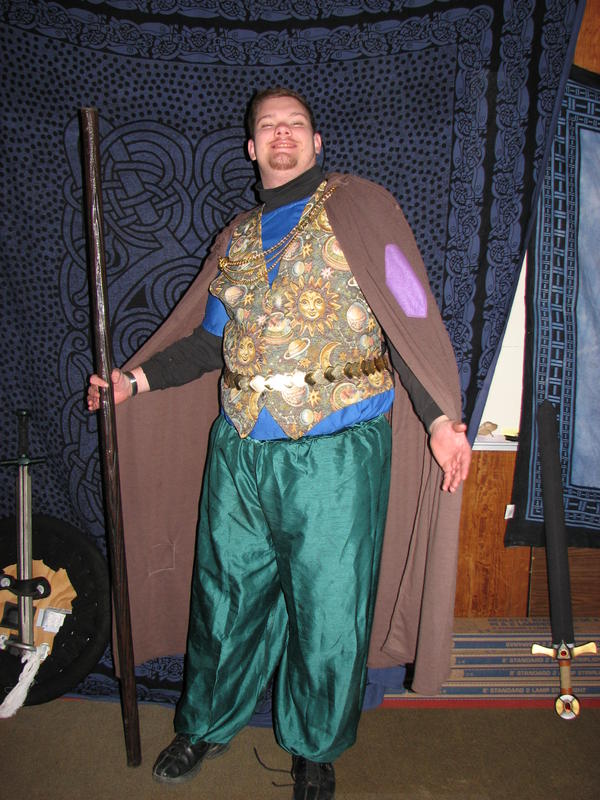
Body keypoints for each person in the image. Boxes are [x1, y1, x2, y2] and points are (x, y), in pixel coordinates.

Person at [88, 86, 471, 800]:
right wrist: (133, 381)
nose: (283, 135)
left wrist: (440, 417)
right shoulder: (236, 239)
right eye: (269, 126)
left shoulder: (363, 210)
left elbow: (409, 309)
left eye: (295, 124)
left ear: (317, 141)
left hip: (336, 455)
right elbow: (209, 344)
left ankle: (314, 746)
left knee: (329, 608)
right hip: (240, 452)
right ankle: (206, 724)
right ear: (252, 147)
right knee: (225, 597)